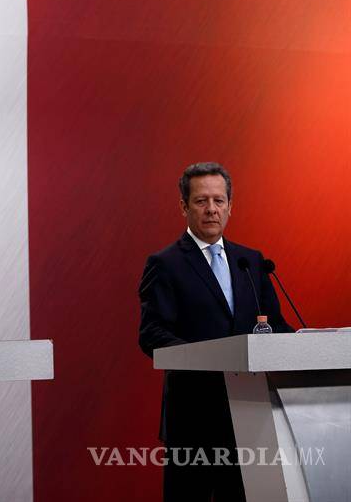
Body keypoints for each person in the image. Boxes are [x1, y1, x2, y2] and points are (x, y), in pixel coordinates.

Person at [138, 162, 293, 502]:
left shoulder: (250, 261)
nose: (211, 209)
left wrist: (302, 343)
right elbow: (152, 334)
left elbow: (277, 326)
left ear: (230, 206)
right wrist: (207, 360)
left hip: (251, 413)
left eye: (219, 200)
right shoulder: (165, 264)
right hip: (193, 415)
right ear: (184, 207)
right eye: (201, 200)